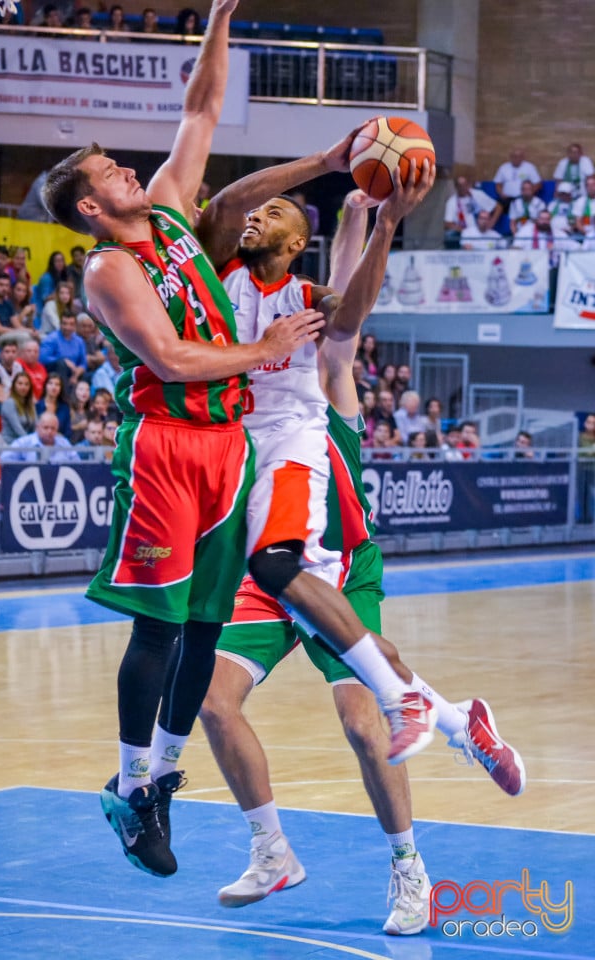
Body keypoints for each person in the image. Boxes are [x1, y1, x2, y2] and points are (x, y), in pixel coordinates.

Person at [197, 165, 525, 927]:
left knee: (360, 723)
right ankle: (274, 847)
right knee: (215, 701)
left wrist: (375, 222)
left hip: (334, 558)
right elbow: (230, 224)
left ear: (297, 239)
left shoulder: (326, 361)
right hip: (260, 545)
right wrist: (352, 207)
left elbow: (348, 301)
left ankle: (410, 867)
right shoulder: (233, 294)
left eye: (274, 211)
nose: (256, 217)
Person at [41, 0, 324, 881]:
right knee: (159, 628)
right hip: (165, 446)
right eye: (111, 172)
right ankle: (131, 785)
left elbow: (199, 111)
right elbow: (167, 355)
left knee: (206, 624)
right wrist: (266, 348)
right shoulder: (109, 268)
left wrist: (218, 18)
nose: (131, 170)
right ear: (91, 204)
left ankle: (160, 777)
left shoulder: (167, 215)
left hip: (228, 444)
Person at [0, 411, 80, 463]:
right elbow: (4, 459)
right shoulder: (24, 442)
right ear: (37, 427)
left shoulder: (64, 443)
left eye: (53, 428)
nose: (49, 431)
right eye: (46, 427)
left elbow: (78, 464)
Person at [443, 175, 501, 249]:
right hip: (464, 232)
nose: (463, 188)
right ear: (456, 187)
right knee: (450, 236)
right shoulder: (452, 202)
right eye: (460, 185)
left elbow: (498, 207)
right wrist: (465, 231)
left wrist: (491, 222)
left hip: (483, 229)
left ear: (468, 184)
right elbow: (447, 224)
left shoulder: (478, 194)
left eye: (465, 184)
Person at [39, 313, 87, 390]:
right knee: (61, 364)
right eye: (65, 324)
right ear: (60, 324)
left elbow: (83, 363)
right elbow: (42, 358)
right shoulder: (51, 338)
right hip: (54, 371)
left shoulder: (79, 341)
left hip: (73, 372)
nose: (67, 327)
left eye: (71, 324)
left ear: (75, 326)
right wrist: (63, 360)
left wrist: (76, 374)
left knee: (88, 375)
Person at [493, 147, 542, 213]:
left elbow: (538, 184)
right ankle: (490, 223)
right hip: (507, 198)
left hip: (523, 198)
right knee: (494, 207)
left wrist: (529, 192)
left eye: (519, 156)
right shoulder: (503, 167)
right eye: (514, 156)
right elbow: (498, 184)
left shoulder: (529, 167)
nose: (516, 158)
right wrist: (501, 193)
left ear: (523, 157)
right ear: (510, 157)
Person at [0, 370, 37, 444]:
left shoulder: (30, 404)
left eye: (26, 384)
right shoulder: (9, 403)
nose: (23, 387)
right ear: (14, 385)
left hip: (25, 443)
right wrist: (31, 442)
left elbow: (36, 425)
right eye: (20, 384)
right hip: (10, 443)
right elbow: (17, 428)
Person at [35, 372, 72, 438]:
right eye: (50, 383)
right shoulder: (37, 406)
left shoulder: (65, 408)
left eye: (57, 384)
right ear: (45, 386)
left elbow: (68, 432)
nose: (54, 387)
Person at [69, 378, 92, 443]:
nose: (84, 392)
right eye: (81, 389)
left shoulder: (90, 411)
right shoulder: (69, 409)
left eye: (87, 390)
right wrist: (78, 426)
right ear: (75, 391)